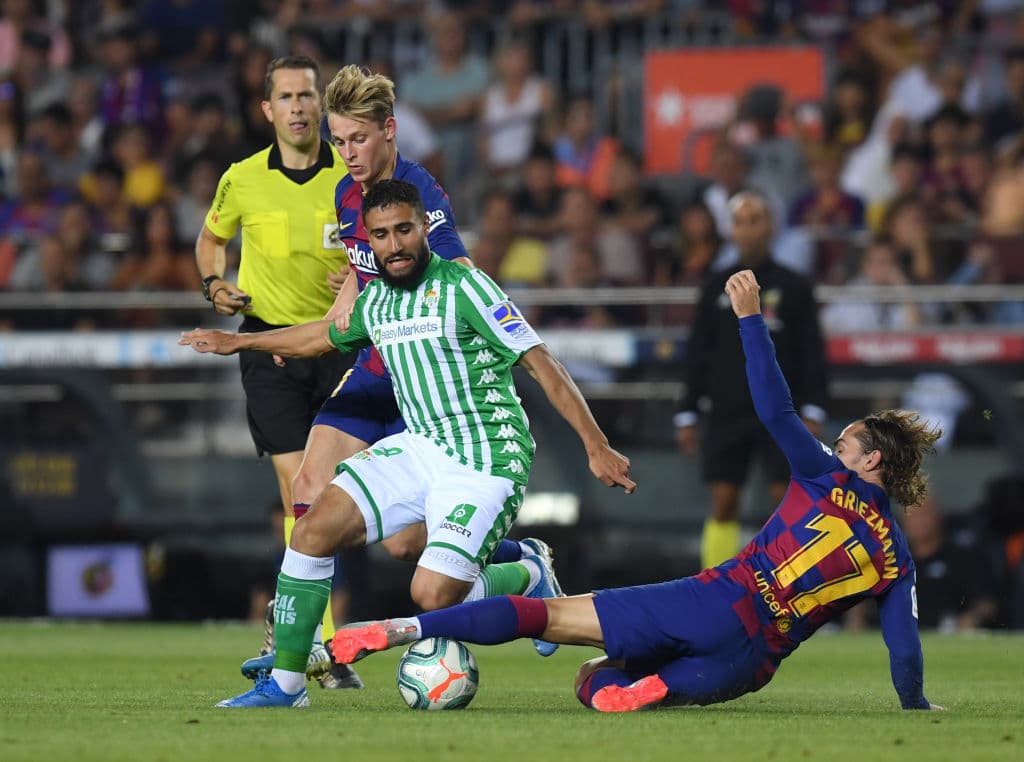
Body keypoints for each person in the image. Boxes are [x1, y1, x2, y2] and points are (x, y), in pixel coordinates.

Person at [332, 269, 944, 715]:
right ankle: (652, 687)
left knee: (548, 620)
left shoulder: (823, 477)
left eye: (845, 445)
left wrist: (751, 321)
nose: (834, 450)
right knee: (622, 684)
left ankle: (406, 630)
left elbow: (775, 408)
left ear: (871, 460)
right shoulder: (895, 557)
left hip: (715, 597)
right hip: (752, 660)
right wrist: (914, 704)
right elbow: (903, 644)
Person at [179, 179, 636, 708]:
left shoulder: (467, 287)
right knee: (311, 530)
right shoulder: (375, 302)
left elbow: (541, 362)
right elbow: (320, 337)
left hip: (486, 457)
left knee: (431, 595)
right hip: (421, 447)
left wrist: (596, 444)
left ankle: (527, 570)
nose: (394, 244)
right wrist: (241, 340)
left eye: (403, 230)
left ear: (425, 228)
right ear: (368, 242)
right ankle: (285, 686)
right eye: (380, 235)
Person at [193, 55, 353, 687]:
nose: (297, 106)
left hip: (341, 344)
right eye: (285, 96)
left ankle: (309, 634)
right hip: (269, 347)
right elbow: (211, 240)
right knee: (301, 492)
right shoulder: (242, 179)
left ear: (320, 104)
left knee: (343, 497)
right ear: (267, 110)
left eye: (306, 95)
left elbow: (392, 245)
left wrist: (361, 274)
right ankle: (323, 642)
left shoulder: (352, 174)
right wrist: (214, 284)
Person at [675, 191, 828, 570]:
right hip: (727, 409)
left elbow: (812, 352)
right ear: (731, 229)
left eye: (755, 219)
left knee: (787, 499)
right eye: (740, 221)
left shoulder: (794, 287)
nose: (747, 229)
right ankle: (715, 591)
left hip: (781, 410)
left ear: (771, 225)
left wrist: (812, 408)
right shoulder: (715, 287)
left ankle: (789, 591)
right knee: (723, 501)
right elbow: (698, 353)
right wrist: (687, 412)